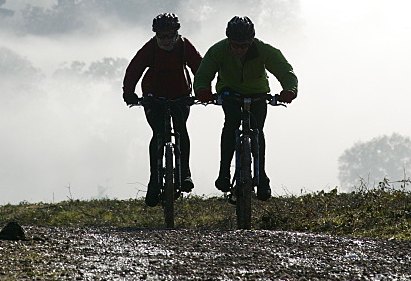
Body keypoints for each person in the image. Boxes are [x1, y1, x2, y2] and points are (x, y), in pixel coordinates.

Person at [194, 15, 297, 201]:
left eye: (243, 46)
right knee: (231, 125)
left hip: (258, 94)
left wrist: (289, 90)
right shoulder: (218, 50)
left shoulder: (264, 50)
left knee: (258, 131)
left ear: (251, 41)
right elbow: (204, 72)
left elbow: (284, 70)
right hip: (229, 93)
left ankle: (262, 177)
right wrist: (202, 90)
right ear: (228, 41)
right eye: (235, 45)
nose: (239, 49)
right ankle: (224, 172)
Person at [123, 12, 202, 207]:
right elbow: (134, 69)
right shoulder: (150, 48)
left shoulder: (184, 45)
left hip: (180, 94)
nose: (166, 40)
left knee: (181, 129)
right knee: (158, 133)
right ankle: (154, 181)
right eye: (162, 36)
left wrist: (202, 90)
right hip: (153, 94)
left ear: (177, 34)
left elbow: (199, 67)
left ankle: (185, 173)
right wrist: (129, 92)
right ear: (156, 35)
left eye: (170, 36)